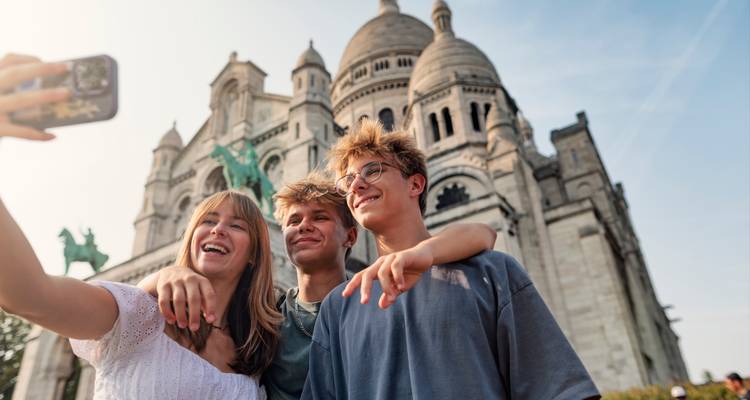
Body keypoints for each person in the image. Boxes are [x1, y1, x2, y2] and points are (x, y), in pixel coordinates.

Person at [0, 54, 278, 399]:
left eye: (236, 225)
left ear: (255, 253)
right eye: (207, 220)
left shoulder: (256, 350)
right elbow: (28, 296)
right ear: (190, 238)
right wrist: (159, 277)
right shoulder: (139, 313)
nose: (218, 229)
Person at [301, 119, 601, 400]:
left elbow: (559, 391)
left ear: (415, 185)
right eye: (349, 180)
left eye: (373, 170)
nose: (356, 185)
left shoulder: (493, 272)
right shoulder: (338, 307)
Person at [144, 172, 497, 400]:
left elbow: (483, 233)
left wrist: (421, 253)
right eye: (294, 220)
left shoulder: (380, 293)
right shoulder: (264, 320)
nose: (304, 227)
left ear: (351, 236)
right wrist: (164, 275)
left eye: (321, 218)